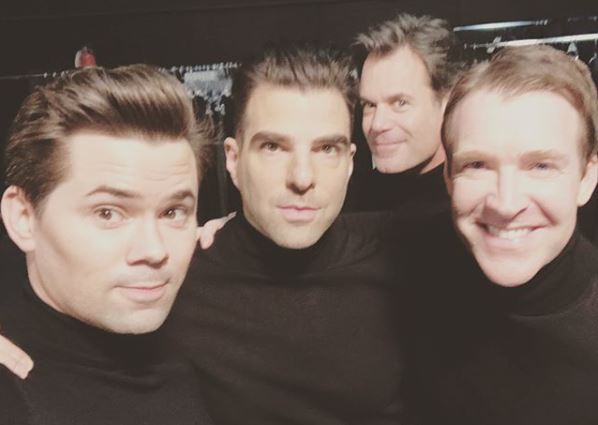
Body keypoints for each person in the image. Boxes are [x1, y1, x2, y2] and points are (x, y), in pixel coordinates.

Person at [161, 45, 407, 425]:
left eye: (326, 149)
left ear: (349, 163)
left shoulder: (405, 264)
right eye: (273, 147)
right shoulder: (173, 283)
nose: (302, 177)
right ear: (233, 159)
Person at [0, 64, 213, 424]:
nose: (154, 250)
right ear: (23, 218)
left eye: (173, 212)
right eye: (108, 213)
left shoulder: (211, 340)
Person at [405, 45, 598, 425]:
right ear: (448, 178)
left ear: (586, 177)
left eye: (540, 166)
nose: (506, 204)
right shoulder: (408, 263)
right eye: (477, 165)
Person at [346, 13, 464, 215]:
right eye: (370, 105)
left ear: (448, 103)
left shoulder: (471, 207)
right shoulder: (351, 199)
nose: (377, 125)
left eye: (400, 103)